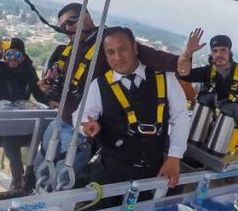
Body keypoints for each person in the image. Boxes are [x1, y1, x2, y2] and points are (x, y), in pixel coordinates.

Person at [35, 3, 192, 187]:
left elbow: (150, 56)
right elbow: (71, 90)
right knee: (40, 166)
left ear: (85, 17)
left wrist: (179, 62)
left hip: (79, 133)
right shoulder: (73, 48)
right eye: (63, 26)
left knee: (62, 179)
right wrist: (49, 89)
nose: (67, 29)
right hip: (63, 119)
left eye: (71, 22)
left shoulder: (110, 41)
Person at [78, 27, 190, 187]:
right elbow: (80, 116)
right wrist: (86, 126)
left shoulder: (165, 78)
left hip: (155, 172)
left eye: (123, 49)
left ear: (135, 48)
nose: (118, 57)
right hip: (111, 173)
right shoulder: (99, 85)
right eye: (111, 52)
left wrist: (174, 157)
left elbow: (180, 117)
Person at [0, 37, 49, 190]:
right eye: (9, 54)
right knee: (10, 134)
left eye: (17, 55)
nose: (13, 58)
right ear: (4, 55)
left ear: (23, 57)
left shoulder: (28, 71)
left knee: (43, 132)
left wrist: (50, 102)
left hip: (19, 121)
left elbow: (38, 92)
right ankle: (18, 178)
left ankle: (32, 173)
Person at [177, 29, 238, 140]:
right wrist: (188, 53)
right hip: (203, 129)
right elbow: (185, 75)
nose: (219, 54)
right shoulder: (208, 72)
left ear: (230, 52)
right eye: (215, 51)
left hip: (231, 134)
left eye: (223, 50)